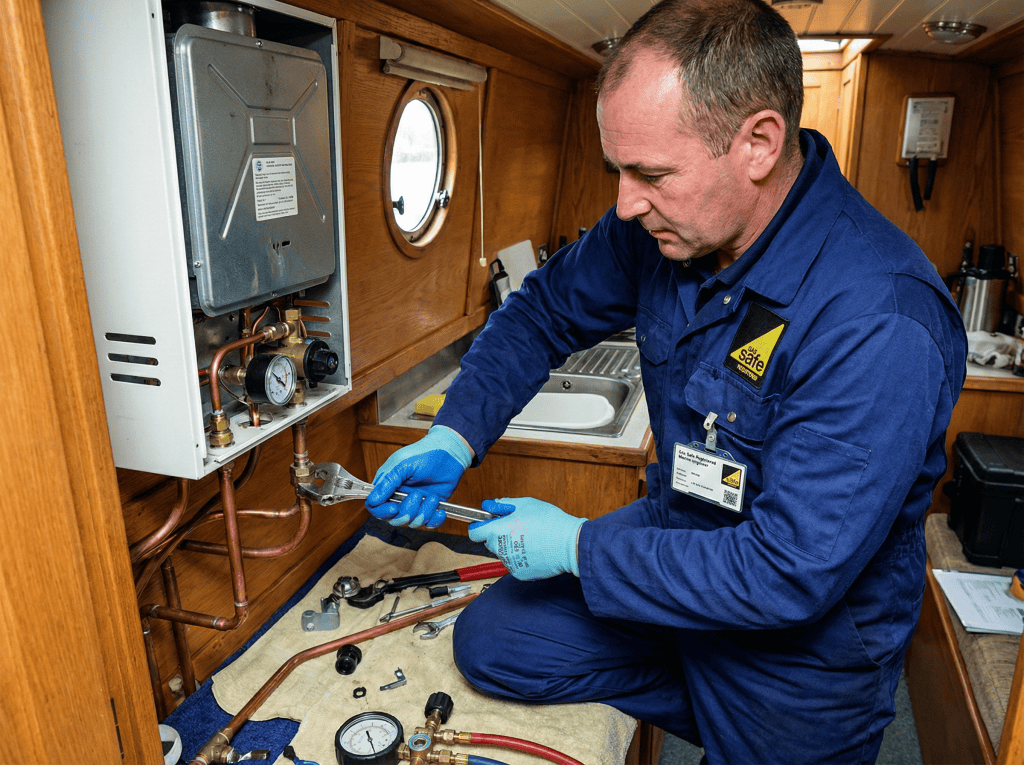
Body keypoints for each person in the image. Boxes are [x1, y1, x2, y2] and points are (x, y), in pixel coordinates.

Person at [365, 0, 968, 761]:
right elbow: (543, 310)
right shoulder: (660, 231)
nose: (624, 204)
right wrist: (453, 437)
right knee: (495, 640)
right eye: (617, 170)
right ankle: (701, 693)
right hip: (681, 535)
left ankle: (738, 717)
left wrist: (579, 547)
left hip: (797, 647)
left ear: (757, 143)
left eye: (650, 173)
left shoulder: (881, 318)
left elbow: (786, 572)